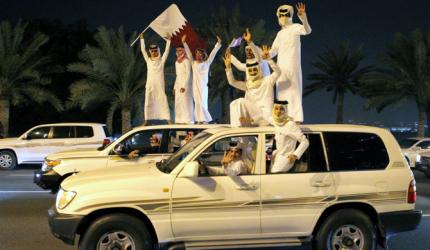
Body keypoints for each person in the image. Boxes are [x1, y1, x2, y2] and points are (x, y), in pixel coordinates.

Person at [267, 2, 311, 123]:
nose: (283, 17)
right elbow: (274, 50)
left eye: (286, 14)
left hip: (293, 67)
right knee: (281, 94)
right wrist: (266, 54)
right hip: (281, 69)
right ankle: (282, 117)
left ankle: (296, 119)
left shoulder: (296, 27)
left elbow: (307, 30)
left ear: (290, 15)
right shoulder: (280, 34)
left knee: (294, 93)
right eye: (281, 15)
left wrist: (303, 17)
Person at [224, 43, 280, 127]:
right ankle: (238, 134)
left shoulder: (267, 80)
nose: (252, 72)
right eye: (250, 70)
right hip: (253, 117)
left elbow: (278, 72)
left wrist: (268, 58)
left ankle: (238, 132)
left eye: (254, 69)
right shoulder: (248, 85)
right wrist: (228, 68)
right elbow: (232, 82)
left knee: (240, 102)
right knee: (234, 103)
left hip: (264, 117)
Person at [182, 35, 222, 124]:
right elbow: (188, 53)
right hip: (195, 87)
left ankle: (205, 120)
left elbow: (213, 54)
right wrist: (184, 43)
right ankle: (199, 120)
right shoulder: (193, 63)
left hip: (204, 87)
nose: (198, 55)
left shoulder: (207, 63)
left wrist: (218, 43)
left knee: (203, 103)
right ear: (195, 55)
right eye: (197, 53)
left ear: (203, 55)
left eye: (200, 54)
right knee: (197, 103)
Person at [269, 100, 309, 173]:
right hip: (277, 155)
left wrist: (295, 155)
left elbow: (305, 142)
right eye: (276, 108)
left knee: (273, 176)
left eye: (281, 109)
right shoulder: (275, 122)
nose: (278, 112)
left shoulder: (290, 124)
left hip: (286, 157)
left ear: (285, 110)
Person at [140, 33, 171, 125]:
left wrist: (169, 41)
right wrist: (142, 39)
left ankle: (168, 120)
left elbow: (167, 51)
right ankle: (146, 120)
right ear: (150, 52)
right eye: (152, 51)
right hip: (150, 85)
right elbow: (143, 50)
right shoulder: (148, 60)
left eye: (155, 51)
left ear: (158, 51)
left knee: (163, 101)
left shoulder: (161, 61)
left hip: (160, 86)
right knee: (148, 102)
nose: (154, 52)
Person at [173, 45, 194, 124]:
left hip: (186, 84)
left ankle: (188, 120)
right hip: (178, 84)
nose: (178, 52)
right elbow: (177, 75)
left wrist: (184, 86)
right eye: (177, 50)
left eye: (180, 50)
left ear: (184, 51)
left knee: (186, 102)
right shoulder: (176, 62)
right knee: (178, 102)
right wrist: (175, 87)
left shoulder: (186, 60)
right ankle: (179, 120)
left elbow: (189, 74)